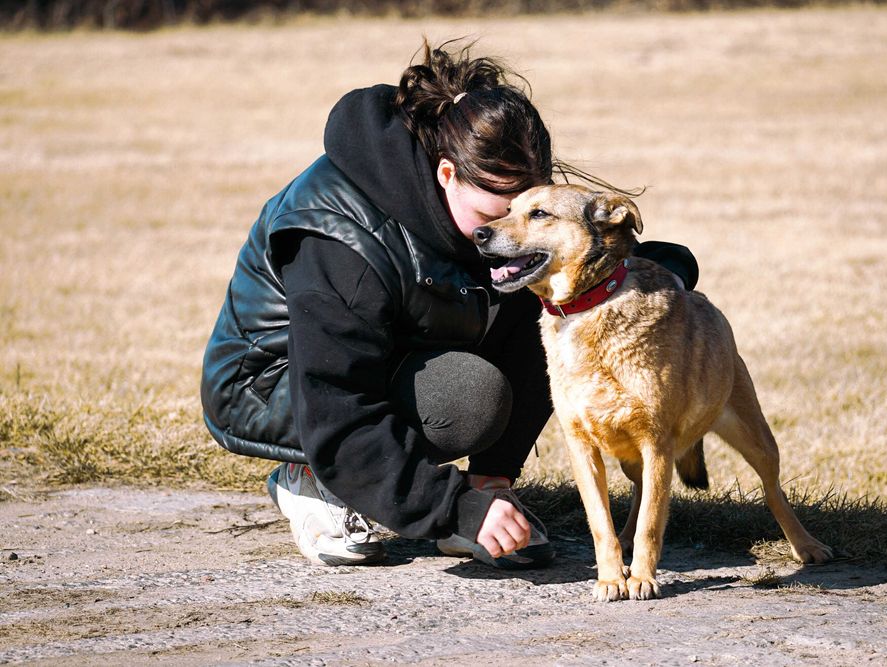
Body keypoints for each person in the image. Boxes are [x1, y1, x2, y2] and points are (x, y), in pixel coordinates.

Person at [200, 40, 699, 570]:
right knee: (465, 397)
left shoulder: (487, 188)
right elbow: (335, 401)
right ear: (446, 175)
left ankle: (491, 487)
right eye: (494, 216)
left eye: (532, 212)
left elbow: (584, 261)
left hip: (396, 354)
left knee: (553, 297)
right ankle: (312, 476)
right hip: (280, 388)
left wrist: (652, 282)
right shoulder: (340, 238)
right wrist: (451, 508)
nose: (512, 232)